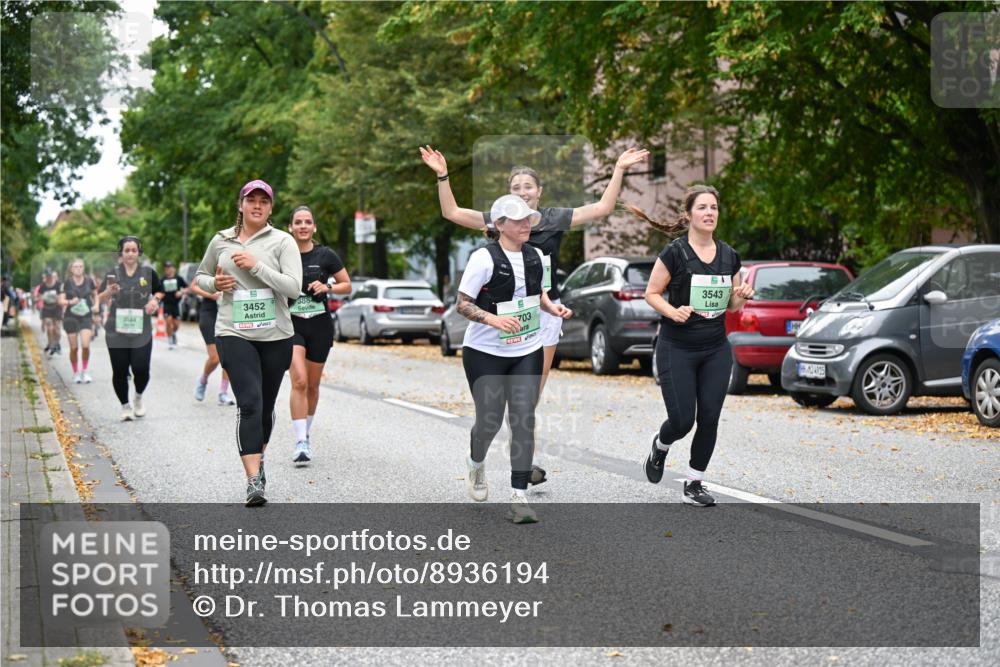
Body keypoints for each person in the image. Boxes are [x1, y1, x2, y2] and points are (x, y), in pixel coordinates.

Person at [420, 144, 648, 481]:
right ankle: (520, 464)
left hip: (544, 313)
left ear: (539, 191)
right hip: (503, 316)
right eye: (515, 188)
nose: (523, 192)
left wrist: (618, 168)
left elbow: (602, 208)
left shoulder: (555, 218)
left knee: (528, 399)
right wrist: (443, 174)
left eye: (528, 186)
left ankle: (522, 460)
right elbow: (452, 212)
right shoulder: (498, 221)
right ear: (507, 195)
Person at [628, 185, 754, 506]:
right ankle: (661, 445)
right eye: (702, 208)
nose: (710, 213)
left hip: (715, 348)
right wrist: (674, 311)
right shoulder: (675, 252)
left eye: (714, 208)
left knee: (709, 417)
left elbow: (732, 307)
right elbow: (651, 293)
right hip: (677, 347)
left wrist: (739, 297)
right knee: (683, 421)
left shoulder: (729, 255)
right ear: (689, 214)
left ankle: (694, 483)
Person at [456, 195, 572, 524]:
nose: (527, 225)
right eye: (519, 220)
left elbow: (538, 296)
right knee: (490, 421)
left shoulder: (536, 256)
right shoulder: (483, 258)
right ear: (499, 225)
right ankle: (476, 463)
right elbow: (462, 303)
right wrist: (492, 320)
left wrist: (553, 309)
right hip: (485, 351)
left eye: (529, 219)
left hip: (526, 347)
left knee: (523, 418)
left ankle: (519, 497)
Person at [194, 179, 301, 507]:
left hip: (276, 335)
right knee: (250, 403)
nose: (257, 205)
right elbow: (199, 276)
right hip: (233, 331)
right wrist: (216, 282)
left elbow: (293, 288)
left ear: (270, 208)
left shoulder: (283, 241)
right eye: (250, 200)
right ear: (240, 205)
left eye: (263, 201)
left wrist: (257, 266)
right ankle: (253, 480)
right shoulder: (221, 240)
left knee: (266, 406)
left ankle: (260, 459)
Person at [287, 206, 351, 464]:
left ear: (314, 227)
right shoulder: (282, 252)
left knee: (312, 386)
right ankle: (300, 441)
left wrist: (328, 287)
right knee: (299, 382)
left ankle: (306, 433)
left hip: (320, 325)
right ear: (290, 227)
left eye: (308, 222)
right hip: (291, 325)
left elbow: (347, 285)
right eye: (298, 222)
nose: (303, 226)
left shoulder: (325, 254)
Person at [97, 236, 164, 421]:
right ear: (121, 253)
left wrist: (154, 301)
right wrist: (108, 292)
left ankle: (138, 397)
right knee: (119, 369)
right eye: (127, 250)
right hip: (116, 329)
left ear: (139, 252)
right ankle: (125, 406)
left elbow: (160, 290)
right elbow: (99, 298)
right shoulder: (113, 273)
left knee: (141, 367)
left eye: (134, 250)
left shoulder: (148, 272)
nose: (130, 254)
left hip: (141, 327)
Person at [189, 282, 236, 405]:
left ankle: (223, 393)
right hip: (209, 313)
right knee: (215, 358)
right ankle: (203, 381)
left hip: (228, 314)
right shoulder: (211, 263)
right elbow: (193, 286)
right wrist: (211, 295)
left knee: (228, 356)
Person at [58, 258, 98, 383]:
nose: (78, 268)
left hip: (86, 316)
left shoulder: (89, 281)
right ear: (71, 269)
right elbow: (60, 300)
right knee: (74, 348)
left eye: (81, 266)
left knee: (85, 345)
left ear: (83, 268)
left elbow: (95, 294)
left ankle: (84, 372)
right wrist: (70, 302)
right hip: (71, 317)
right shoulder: (67, 283)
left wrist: (96, 305)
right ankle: (76, 373)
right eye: (76, 266)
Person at [160, 261, 188, 349]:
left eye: (170, 268)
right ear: (165, 270)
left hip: (176, 304)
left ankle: (173, 334)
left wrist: (181, 292)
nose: (168, 270)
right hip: (166, 304)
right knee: (168, 322)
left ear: (174, 269)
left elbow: (188, 288)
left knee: (176, 324)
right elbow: (157, 290)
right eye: (167, 268)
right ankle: (170, 340)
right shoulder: (162, 280)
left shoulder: (178, 278)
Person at [36, 268, 63, 355]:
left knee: (57, 330)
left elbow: (62, 296)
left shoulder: (58, 285)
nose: (49, 277)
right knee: (50, 328)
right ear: (45, 276)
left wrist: (58, 298)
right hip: (47, 309)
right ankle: (51, 344)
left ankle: (56, 343)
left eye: (50, 275)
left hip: (57, 308)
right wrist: (42, 297)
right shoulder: (43, 286)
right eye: (47, 276)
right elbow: (38, 297)